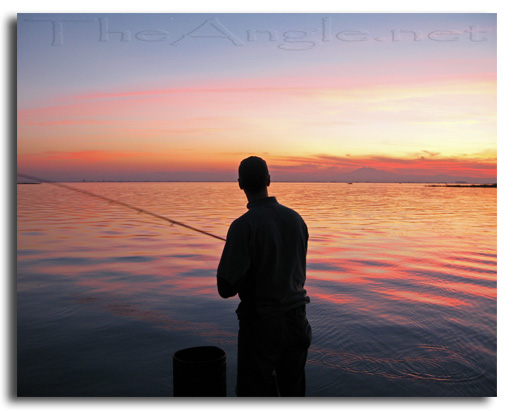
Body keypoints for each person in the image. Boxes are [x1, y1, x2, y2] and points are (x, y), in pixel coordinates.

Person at [217, 156, 312, 397]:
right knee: (294, 393)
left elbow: (225, 288)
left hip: (261, 327)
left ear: (240, 184)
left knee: (253, 394)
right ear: (268, 179)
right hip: (298, 321)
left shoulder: (242, 226)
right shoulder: (296, 219)